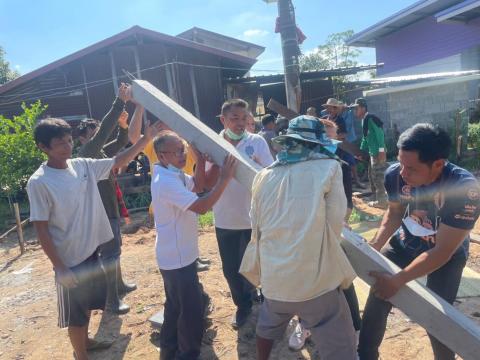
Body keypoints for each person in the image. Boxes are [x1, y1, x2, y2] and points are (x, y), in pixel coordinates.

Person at [27, 117, 161, 360]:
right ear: (43, 147)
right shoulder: (39, 182)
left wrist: (145, 139)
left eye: (69, 140)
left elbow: (119, 160)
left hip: (90, 252)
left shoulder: (82, 165)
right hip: (69, 260)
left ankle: (85, 342)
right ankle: (81, 355)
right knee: (75, 315)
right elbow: (41, 229)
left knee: (87, 306)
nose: (68, 146)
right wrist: (60, 267)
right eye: (60, 143)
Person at [358, 123, 480, 360]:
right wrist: (375, 246)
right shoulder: (396, 174)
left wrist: (399, 279)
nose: (403, 173)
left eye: (411, 168)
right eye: (401, 163)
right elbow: (394, 214)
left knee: (437, 317)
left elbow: (442, 251)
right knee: (377, 298)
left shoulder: (463, 189)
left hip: (447, 255)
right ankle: (365, 355)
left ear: (437, 164)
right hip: (406, 242)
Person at [248, 115, 357, 360]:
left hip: (273, 277)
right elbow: (335, 225)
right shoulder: (330, 168)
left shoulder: (264, 175)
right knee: (339, 337)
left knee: (268, 322)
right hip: (314, 282)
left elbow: (255, 223)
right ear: (319, 142)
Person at [150, 131, 237, 360]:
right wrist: (225, 179)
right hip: (177, 258)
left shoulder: (173, 173)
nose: (182, 154)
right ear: (162, 155)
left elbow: (198, 185)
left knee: (175, 307)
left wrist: (202, 162)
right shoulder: (166, 181)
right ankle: (187, 354)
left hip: (177, 255)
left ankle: (169, 350)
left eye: (183, 149)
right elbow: (201, 206)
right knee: (190, 312)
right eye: (177, 151)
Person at [287, 118, 362, 352]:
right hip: (303, 235)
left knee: (341, 281)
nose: (328, 143)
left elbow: (347, 202)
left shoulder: (338, 165)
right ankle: (305, 324)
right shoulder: (292, 167)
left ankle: (355, 328)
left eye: (331, 137)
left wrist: (340, 224)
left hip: (331, 233)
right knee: (305, 282)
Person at [205, 98, 274, 329]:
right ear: (223, 120)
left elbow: (271, 177)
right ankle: (243, 305)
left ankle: (267, 301)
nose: (240, 123)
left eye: (244, 118)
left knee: (262, 263)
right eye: (234, 118)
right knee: (232, 270)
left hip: (255, 218)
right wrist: (213, 164)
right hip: (226, 219)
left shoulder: (258, 142)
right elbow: (207, 183)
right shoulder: (212, 144)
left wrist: (257, 167)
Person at [128, 105, 210, 271]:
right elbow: (134, 137)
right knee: (174, 236)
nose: (163, 125)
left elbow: (199, 169)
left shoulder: (185, 145)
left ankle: (192, 259)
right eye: (163, 123)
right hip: (172, 197)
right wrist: (140, 107)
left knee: (187, 232)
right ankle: (182, 265)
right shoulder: (158, 146)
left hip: (188, 195)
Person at [77, 83, 136, 314]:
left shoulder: (99, 154)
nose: (98, 139)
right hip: (100, 215)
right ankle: (112, 301)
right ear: (83, 140)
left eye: (96, 133)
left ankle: (119, 286)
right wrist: (119, 102)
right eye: (92, 136)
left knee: (115, 251)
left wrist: (122, 127)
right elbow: (103, 136)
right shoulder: (86, 154)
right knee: (110, 255)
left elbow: (120, 143)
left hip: (110, 210)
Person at [352, 98, 388, 208]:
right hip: (372, 153)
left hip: (378, 153)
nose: (355, 111)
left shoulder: (370, 118)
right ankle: (376, 197)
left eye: (356, 108)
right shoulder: (364, 120)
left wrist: (382, 151)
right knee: (372, 176)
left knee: (378, 177)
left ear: (363, 108)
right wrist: (361, 151)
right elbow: (365, 138)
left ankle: (382, 201)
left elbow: (380, 134)